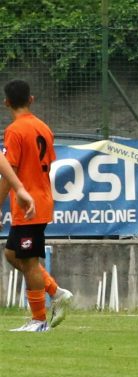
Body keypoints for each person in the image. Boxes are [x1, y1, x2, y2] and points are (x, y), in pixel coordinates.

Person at [1, 79, 73, 332]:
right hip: (41, 200)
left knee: (29, 262)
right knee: (12, 254)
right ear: (31, 99)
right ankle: (56, 291)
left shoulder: (14, 131)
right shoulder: (44, 127)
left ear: (6, 102)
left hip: (28, 206)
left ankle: (39, 320)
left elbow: (11, 172)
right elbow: (47, 164)